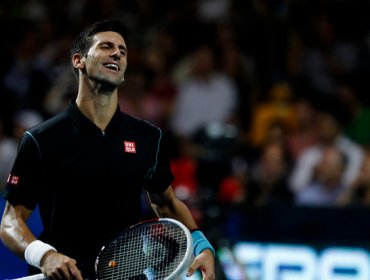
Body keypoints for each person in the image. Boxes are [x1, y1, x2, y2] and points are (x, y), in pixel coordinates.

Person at [0, 19, 215, 280]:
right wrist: (44, 255)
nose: (117, 53)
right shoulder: (40, 139)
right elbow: (11, 222)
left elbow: (167, 203)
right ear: (78, 60)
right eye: (106, 47)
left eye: (122, 51)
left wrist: (201, 244)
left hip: (128, 274)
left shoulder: (149, 137)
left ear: (123, 71)